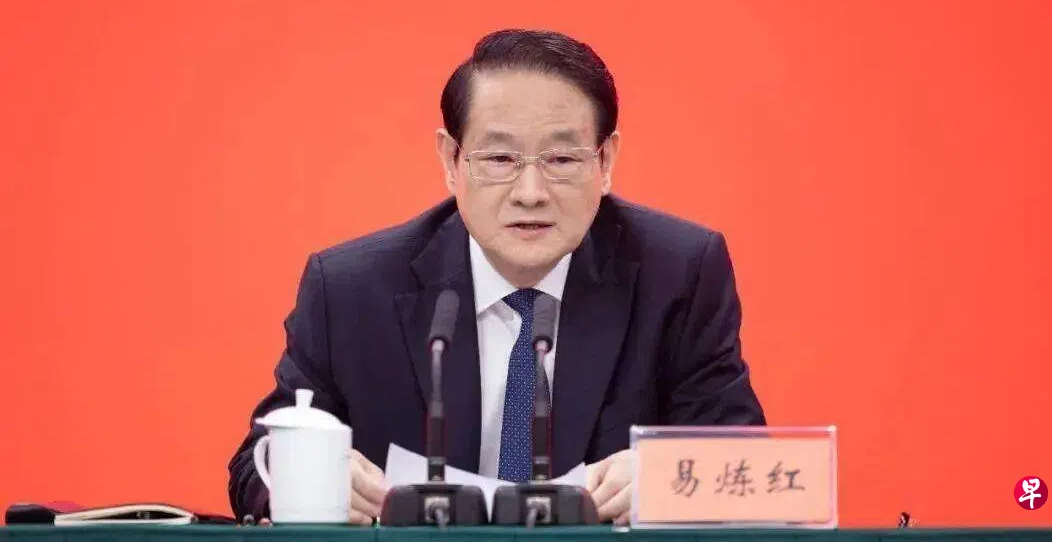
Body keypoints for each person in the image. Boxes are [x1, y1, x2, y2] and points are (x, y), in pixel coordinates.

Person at [227, 28, 765, 525]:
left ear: (606, 162)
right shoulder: (351, 290)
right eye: (500, 158)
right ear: (451, 160)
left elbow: (747, 468)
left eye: (561, 159)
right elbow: (254, 468)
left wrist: (668, 478)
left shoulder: (679, 274)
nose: (530, 193)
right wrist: (307, 481)